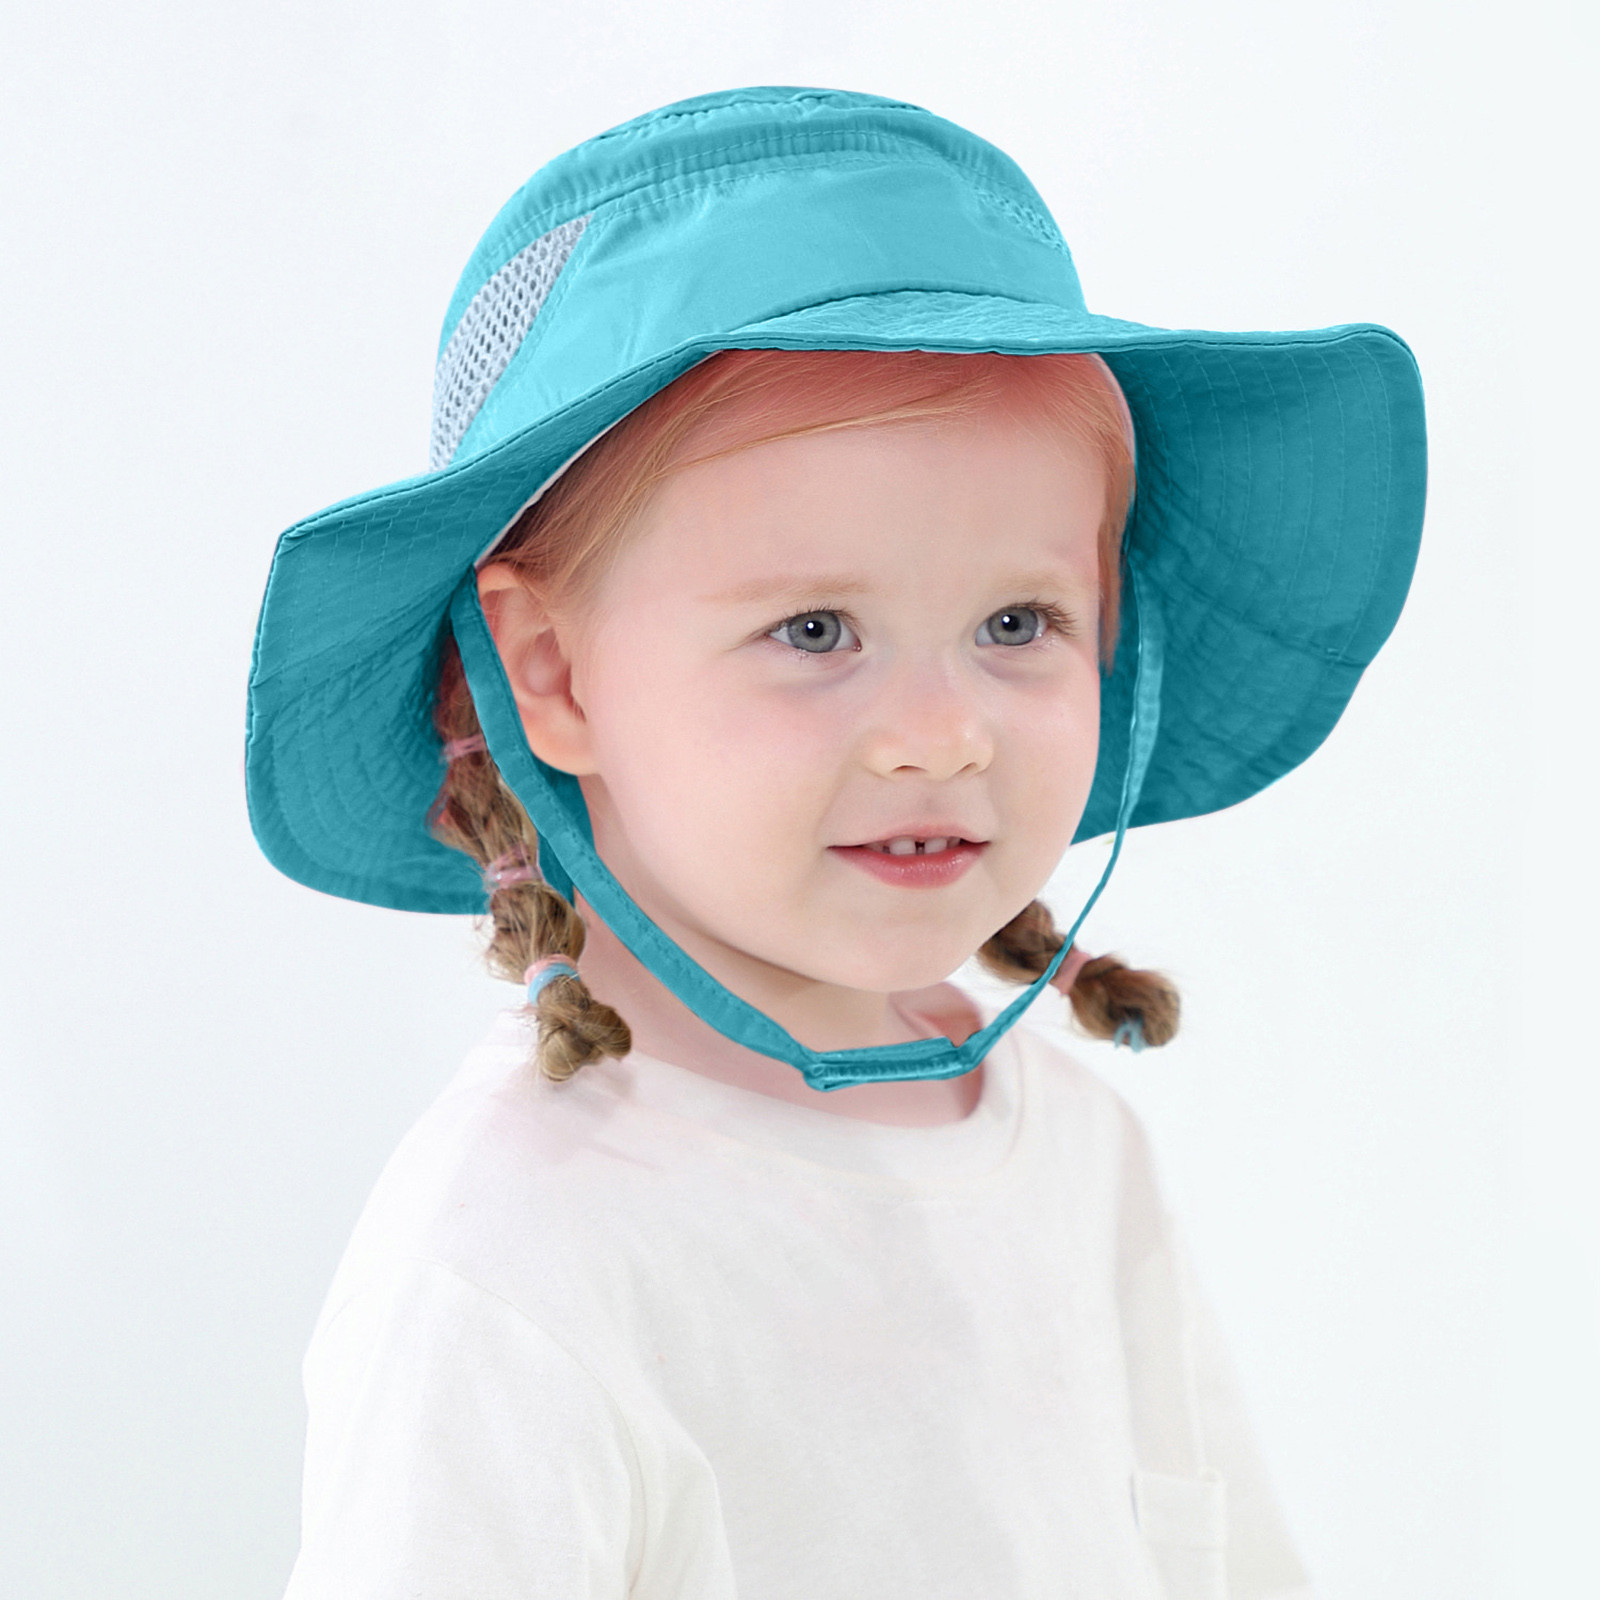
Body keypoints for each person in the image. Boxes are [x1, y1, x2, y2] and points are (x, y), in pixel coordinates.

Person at [247, 87, 1425, 1599]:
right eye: (815, 630)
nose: (941, 735)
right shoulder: (510, 1264)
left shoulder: (1079, 1161)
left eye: (1019, 622)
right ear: (553, 675)